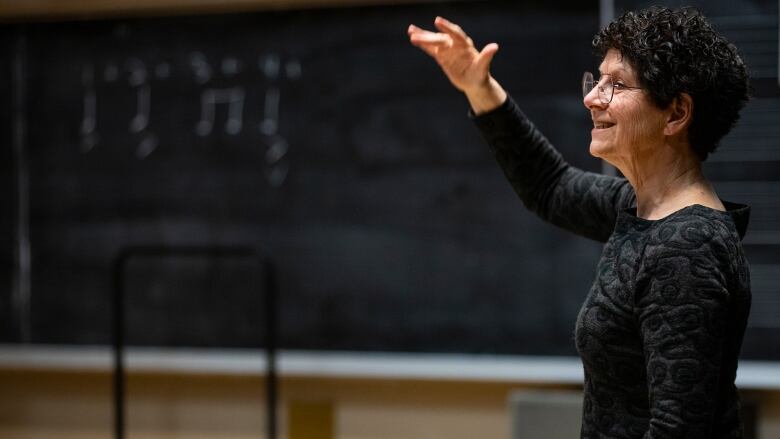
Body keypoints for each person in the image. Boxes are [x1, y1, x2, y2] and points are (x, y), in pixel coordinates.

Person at [409, 6, 751, 438]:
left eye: (617, 85)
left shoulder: (687, 246)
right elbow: (550, 187)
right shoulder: (644, 207)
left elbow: (677, 430)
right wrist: (479, 88)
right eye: (597, 80)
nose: (592, 98)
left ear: (676, 113)